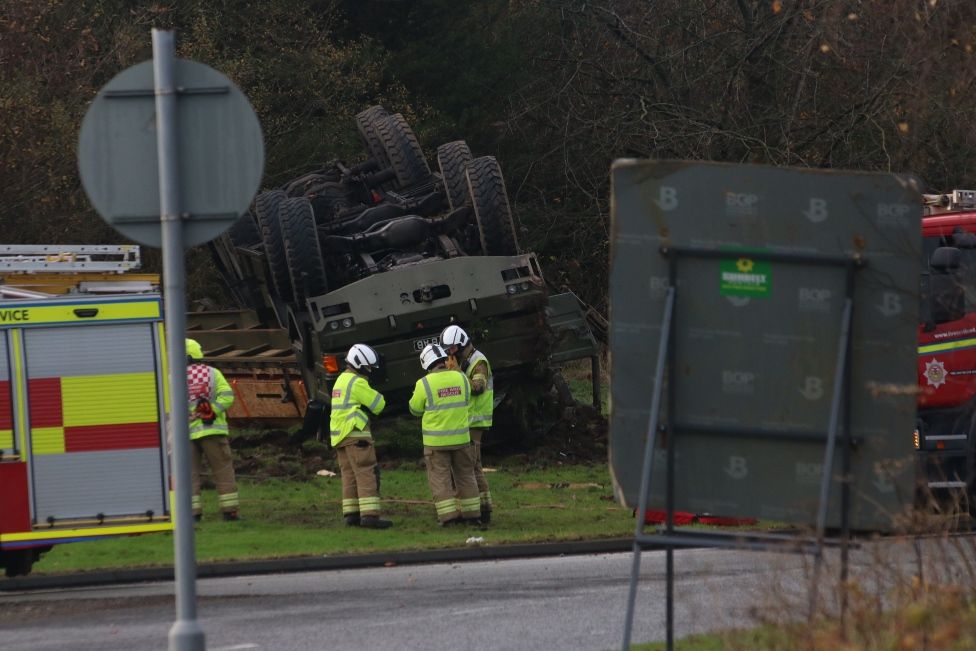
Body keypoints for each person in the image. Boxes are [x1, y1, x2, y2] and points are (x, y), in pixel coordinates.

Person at [409, 343, 481, 526]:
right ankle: (473, 516)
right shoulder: (461, 378)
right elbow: (466, 400)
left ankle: (448, 519)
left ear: (426, 364)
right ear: (443, 359)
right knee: (466, 476)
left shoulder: (423, 383)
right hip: (462, 440)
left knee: (440, 480)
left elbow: (414, 409)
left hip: (436, 444)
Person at [329, 343, 391, 529]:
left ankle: (352, 515)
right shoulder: (357, 382)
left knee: (349, 476)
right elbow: (378, 404)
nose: (370, 372)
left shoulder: (340, 380)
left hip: (340, 437)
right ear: (360, 365)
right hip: (356, 435)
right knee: (366, 473)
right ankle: (370, 516)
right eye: (368, 368)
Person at [441, 325, 494, 523]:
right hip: (468, 421)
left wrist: (457, 374)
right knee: (470, 465)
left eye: (452, 349)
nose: (450, 353)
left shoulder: (478, 361)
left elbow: (478, 388)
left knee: (472, 466)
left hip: (475, 421)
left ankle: (483, 509)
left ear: (462, 344)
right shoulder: (467, 360)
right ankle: (477, 507)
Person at [185, 338, 240, 521]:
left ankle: (193, 515)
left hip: (185, 434)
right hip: (213, 431)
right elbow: (227, 396)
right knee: (223, 470)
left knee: (189, 474)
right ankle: (229, 512)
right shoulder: (212, 373)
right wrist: (211, 410)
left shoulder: (172, 377)